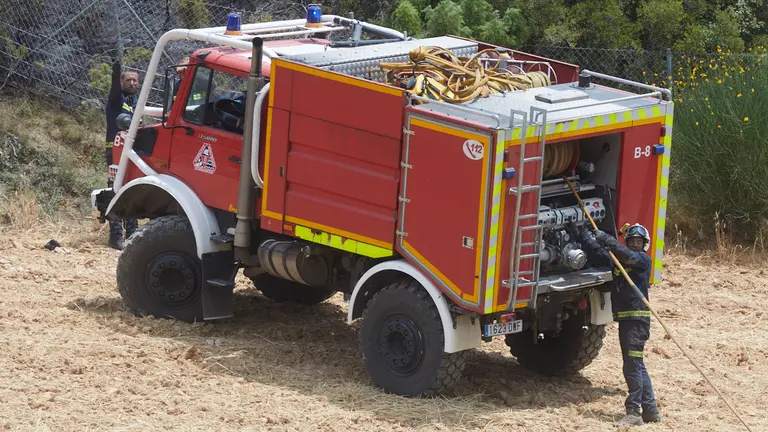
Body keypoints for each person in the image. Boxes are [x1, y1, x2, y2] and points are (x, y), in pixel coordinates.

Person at [576, 223, 662, 426]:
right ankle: (650, 410)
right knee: (637, 365)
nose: (634, 244)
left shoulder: (642, 260)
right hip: (627, 321)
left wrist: (606, 238)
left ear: (644, 245)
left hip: (636, 323)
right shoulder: (618, 263)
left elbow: (626, 255)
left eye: (638, 242)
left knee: (632, 366)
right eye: (631, 241)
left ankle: (634, 412)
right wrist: (583, 234)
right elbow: (599, 254)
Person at [105, 59, 140, 250]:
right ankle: (115, 235)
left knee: (133, 189)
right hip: (115, 151)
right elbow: (115, 90)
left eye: (135, 80)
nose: (132, 83)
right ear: (122, 82)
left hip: (132, 151)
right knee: (116, 190)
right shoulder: (116, 99)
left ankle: (132, 234)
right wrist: (115, 73)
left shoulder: (136, 102)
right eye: (128, 80)